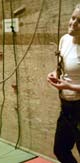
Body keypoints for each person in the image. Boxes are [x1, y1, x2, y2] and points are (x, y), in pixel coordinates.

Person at [47, 3, 80, 163]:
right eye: (73, 17)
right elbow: (61, 68)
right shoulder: (64, 40)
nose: (73, 23)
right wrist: (55, 74)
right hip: (66, 106)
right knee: (60, 150)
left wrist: (68, 86)